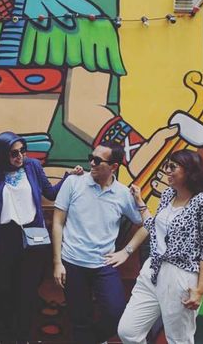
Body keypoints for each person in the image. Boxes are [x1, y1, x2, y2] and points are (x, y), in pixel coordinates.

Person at [112, 150, 203, 344]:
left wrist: (200, 289)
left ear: (190, 170)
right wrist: (140, 202)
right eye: (166, 166)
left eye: (172, 167)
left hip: (180, 275)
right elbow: (155, 229)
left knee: (178, 339)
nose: (167, 171)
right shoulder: (168, 195)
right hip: (152, 270)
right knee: (128, 332)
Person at [0, 132, 83, 341]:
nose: (20, 156)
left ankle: (22, 337)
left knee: (27, 293)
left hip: (33, 238)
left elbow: (50, 193)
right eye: (13, 153)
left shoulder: (33, 166)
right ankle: (4, 337)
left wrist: (69, 176)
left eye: (23, 151)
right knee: (3, 291)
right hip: (5, 239)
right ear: (2, 154)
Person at [52, 141, 144, 344]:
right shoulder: (74, 183)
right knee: (79, 319)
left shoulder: (122, 193)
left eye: (97, 160)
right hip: (73, 262)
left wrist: (126, 252)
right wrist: (57, 262)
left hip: (104, 264)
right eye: (91, 158)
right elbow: (58, 222)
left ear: (114, 166)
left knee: (115, 313)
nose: (91, 163)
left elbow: (145, 224)